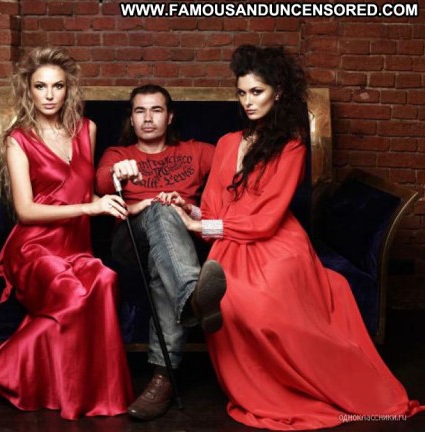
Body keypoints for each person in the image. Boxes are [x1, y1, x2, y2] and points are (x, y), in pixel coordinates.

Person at [172, 44, 425, 430]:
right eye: (242, 92)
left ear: (278, 93)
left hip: (278, 244)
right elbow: (212, 209)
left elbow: (266, 221)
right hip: (230, 244)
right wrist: (188, 212)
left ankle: (321, 383)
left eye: (256, 92)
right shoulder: (226, 143)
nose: (248, 101)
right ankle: (208, 314)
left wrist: (203, 227)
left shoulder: (291, 145)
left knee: (262, 302)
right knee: (231, 298)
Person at [0, 47, 133, 420]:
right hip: (34, 249)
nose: (49, 95)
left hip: (76, 247)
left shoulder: (87, 130)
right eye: (41, 86)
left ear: (68, 89)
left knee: (105, 280)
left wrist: (110, 202)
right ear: (28, 90)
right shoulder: (18, 140)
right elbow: (26, 211)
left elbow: (83, 193)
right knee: (75, 297)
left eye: (57, 86)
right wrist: (89, 208)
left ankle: (88, 393)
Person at [95, 84, 226, 420]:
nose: (148, 118)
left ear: (169, 117)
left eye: (156, 110)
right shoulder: (119, 154)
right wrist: (122, 179)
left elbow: (239, 168)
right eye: (140, 111)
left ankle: (162, 377)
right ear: (131, 118)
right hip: (130, 240)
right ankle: (193, 294)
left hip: (177, 245)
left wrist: (190, 210)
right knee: (160, 210)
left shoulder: (197, 151)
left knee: (162, 262)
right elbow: (101, 183)